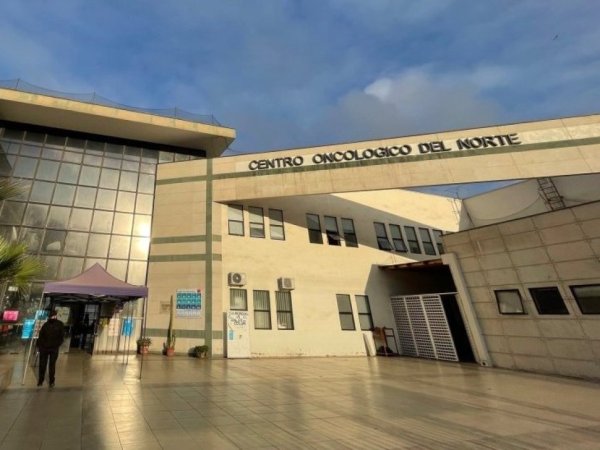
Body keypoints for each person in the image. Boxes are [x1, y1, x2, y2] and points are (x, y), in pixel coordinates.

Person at [36, 309, 65, 388]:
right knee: (42, 365)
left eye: (53, 316)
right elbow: (41, 336)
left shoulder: (60, 324)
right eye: (51, 316)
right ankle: (40, 380)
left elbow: (61, 336)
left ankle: (52, 381)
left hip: (54, 348)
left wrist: (57, 344)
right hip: (44, 348)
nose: (52, 317)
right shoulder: (45, 324)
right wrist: (40, 346)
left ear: (55, 316)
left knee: (52, 365)